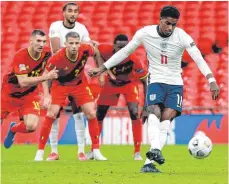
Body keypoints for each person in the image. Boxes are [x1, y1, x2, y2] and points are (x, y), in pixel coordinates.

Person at [88, 5, 220, 172]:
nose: (170, 28)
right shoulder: (146, 33)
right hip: (156, 80)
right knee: (154, 111)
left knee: (166, 118)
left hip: (175, 83)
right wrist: (103, 68)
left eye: (173, 24)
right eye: (167, 23)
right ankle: (155, 150)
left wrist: (211, 79)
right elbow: (125, 52)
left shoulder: (182, 36)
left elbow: (199, 58)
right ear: (160, 20)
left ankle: (148, 163)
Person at [34, 32, 107, 161]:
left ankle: (96, 150)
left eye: (77, 43)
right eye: (71, 43)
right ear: (65, 44)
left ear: (80, 43)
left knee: (91, 112)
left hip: (79, 84)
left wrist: (100, 71)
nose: (74, 46)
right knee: (52, 113)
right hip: (60, 86)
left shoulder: (86, 49)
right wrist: (46, 95)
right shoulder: (57, 58)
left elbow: (96, 52)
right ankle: (40, 152)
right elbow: (45, 75)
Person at [48, 2, 97, 161]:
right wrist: (78, 47)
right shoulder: (55, 26)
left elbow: (89, 47)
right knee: (54, 114)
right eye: (69, 11)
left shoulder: (82, 29)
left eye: (75, 11)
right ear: (63, 12)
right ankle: (54, 151)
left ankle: (81, 151)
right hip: (57, 74)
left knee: (78, 113)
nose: (73, 14)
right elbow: (56, 51)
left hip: (76, 77)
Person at [93, 34, 148, 160]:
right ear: (113, 46)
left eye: (125, 47)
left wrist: (146, 106)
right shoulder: (104, 50)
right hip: (111, 84)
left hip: (129, 84)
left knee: (134, 112)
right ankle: (94, 150)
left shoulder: (135, 60)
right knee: (99, 114)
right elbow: (95, 49)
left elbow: (145, 82)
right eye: (119, 47)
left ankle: (137, 153)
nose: (122, 50)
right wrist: (103, 72)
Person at [2, 30, 58, 148]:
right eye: (38, 41)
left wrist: (47, 95)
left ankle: (13, 129)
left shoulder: (47, 54)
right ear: (31, 41)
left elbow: (44, 71)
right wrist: (47, 77)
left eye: (44, 42)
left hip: (29, 94)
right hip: (9, 93)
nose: (41, 44)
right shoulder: (21, 55)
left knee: (31, 126)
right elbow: (22, 82)